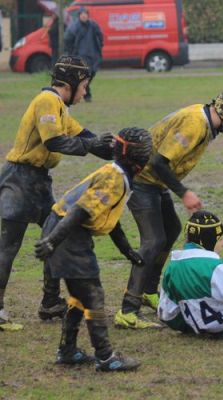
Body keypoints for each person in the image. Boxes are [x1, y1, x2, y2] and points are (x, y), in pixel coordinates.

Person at [114, 86, 223, 329]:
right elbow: (158, 163)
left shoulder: (210, 117)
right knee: (153, 241)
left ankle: (147, 290)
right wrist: (184, 193)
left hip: (154, 181)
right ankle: (128, 309)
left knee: (171, 230)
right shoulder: (195, 124)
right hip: (142, 179)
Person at [0, 56, 113, 332]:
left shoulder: (61, 107)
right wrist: (92, 145)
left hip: (38, 182)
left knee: (57, 237)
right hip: (20, 180)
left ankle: (50, 302)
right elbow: (55, 141)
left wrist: (118, 150)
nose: (85, 91)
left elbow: (84, 136)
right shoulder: (47, 101)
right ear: (71, 83)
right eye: (84, 85)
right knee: (8, 247)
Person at [34, 127, 153, 372]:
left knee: (80, 296)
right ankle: (106, 357)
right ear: (138, 160)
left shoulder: (117, 174)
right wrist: (53, 241)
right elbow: (79, 211)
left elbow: (110, 218)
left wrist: (128, 251)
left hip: (66, 231)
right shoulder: (115, 178)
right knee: (93, 295)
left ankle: (67, 351)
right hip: (67, 233)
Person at [64, 7, 103, 102]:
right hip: (80, 55)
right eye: (82, 14)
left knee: (92, 73)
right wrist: (72, 52)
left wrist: (100, 45)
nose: (84, 16)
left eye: (86, 14)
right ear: (79, 16)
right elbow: (67, 39)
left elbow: (100, 35)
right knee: (84, 75)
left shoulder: (93, 25)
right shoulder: (74, 27)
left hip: (93, 54)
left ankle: (83, 91)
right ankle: (87, 95)